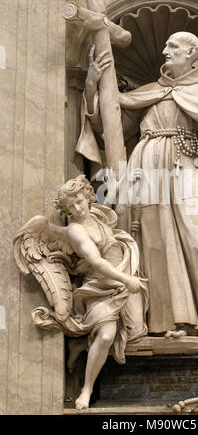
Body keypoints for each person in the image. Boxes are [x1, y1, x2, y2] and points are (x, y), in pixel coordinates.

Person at [76, 31, 198, 341]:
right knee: (154, 243)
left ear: (191, 53)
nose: (164, 50)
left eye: (173, 46)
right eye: (165, 44)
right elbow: (114, 129)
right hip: (146, 168)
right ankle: (168, 321)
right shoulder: (149, 92)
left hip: (189, 165)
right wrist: (93, 83)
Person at [14, 175, 148, 410]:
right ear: (66, 211)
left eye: (80, 201)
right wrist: (126, 279)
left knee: (136, 332)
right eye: (71, 207)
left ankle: (81, 346)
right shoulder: (75, 231)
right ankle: (86, 389)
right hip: (98, 288)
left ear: (87, 196)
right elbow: (96, 262)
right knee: (107, 336)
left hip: (119, 280)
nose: (78, 208)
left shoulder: (96, 215)